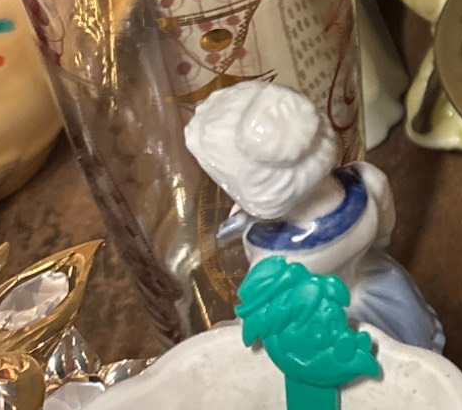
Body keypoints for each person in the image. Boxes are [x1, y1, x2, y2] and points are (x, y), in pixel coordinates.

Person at [185, 81, 443, 351]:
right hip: (381, 286)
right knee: (412, 349)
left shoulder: (275, 260)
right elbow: (382, 238)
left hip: (326, 326)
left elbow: (256, 319)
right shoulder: (369, 182)